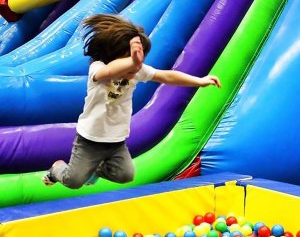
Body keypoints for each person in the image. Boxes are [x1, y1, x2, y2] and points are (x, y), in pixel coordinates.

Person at [42, 14, 221, 189]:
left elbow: (166, 75)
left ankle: (95, 169)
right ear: (112, 54)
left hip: (116, 140)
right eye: (129, 61)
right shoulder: (98, 69)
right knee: (73, 181)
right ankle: (57, 168)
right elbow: (110, 71)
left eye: (137, 62)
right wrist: (133, 62)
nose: (135, 68)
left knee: (125, 175)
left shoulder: (136, 70)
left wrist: (199, 80)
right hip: (89, 140)